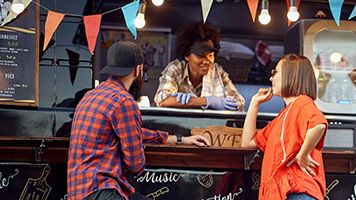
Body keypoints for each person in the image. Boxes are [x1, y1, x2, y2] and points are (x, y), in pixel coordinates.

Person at [67, 42, 211, 200]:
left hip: (79, 192)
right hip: (102, 191)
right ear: (138, 69)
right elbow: (136, 165)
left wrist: (180, 139)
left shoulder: (91, 96)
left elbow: (131, 132)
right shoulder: (123, 101)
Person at [241, 54, 328, 200]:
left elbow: (319, 125)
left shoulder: (302, 102)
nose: (271, 78)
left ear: (290, 74)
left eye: (275, 72)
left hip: (297, 192)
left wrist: (303, 154)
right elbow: (247, 143)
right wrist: (254, 104)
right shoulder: (281, 117)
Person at [154, 22, 245, 111]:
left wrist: (218, 102)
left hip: (211, 126)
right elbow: (163, 100)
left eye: (210, 55)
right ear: (187, 56)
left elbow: (239, 103)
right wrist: (205, 101)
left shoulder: (218, 72)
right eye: (200, 56)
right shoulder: (176, 69)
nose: (206, 61)